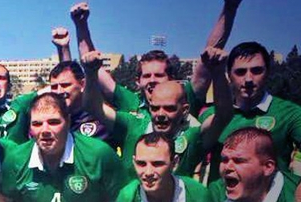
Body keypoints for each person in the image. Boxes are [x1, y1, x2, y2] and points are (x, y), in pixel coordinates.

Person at [0, 93, 125, 202]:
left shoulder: (98, 154)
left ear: (68, 122)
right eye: (37, 124)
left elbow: (117, 201)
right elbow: (4, 197)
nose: (45, 130)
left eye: (53, 122)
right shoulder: (16, 159)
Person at [71, 0, 241, 118]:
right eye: (146, 76)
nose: (152, 80)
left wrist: (230, 8)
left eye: (159, 75)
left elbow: (208, 59)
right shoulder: (131, 102)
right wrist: (81, 25)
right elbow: (93, 66)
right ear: (138, 81)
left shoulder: (186, 97)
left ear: (172, 79)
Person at [82, 47, 232, 180]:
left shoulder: (191, 135)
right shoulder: (133, 124)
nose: (160, 114)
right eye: (155, 108)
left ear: (185, 110)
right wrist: (90, 73)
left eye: (169, 108)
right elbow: (93, 107)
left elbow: (223, 115)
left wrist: (218, 73)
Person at [91, 132, 221, 202]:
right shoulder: (126, 199)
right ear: (134, 162)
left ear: (174, 163)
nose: (148, 172)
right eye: (141, 164)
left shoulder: (198, 196)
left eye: (157, 164)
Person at [200, 41, 301, 177]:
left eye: (256, 70)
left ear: (268, 73)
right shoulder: (211, 116)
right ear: (229, 75)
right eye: (240, 72)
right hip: (221, 198)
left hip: (272, 198)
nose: (248, 79)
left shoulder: (290, 113)